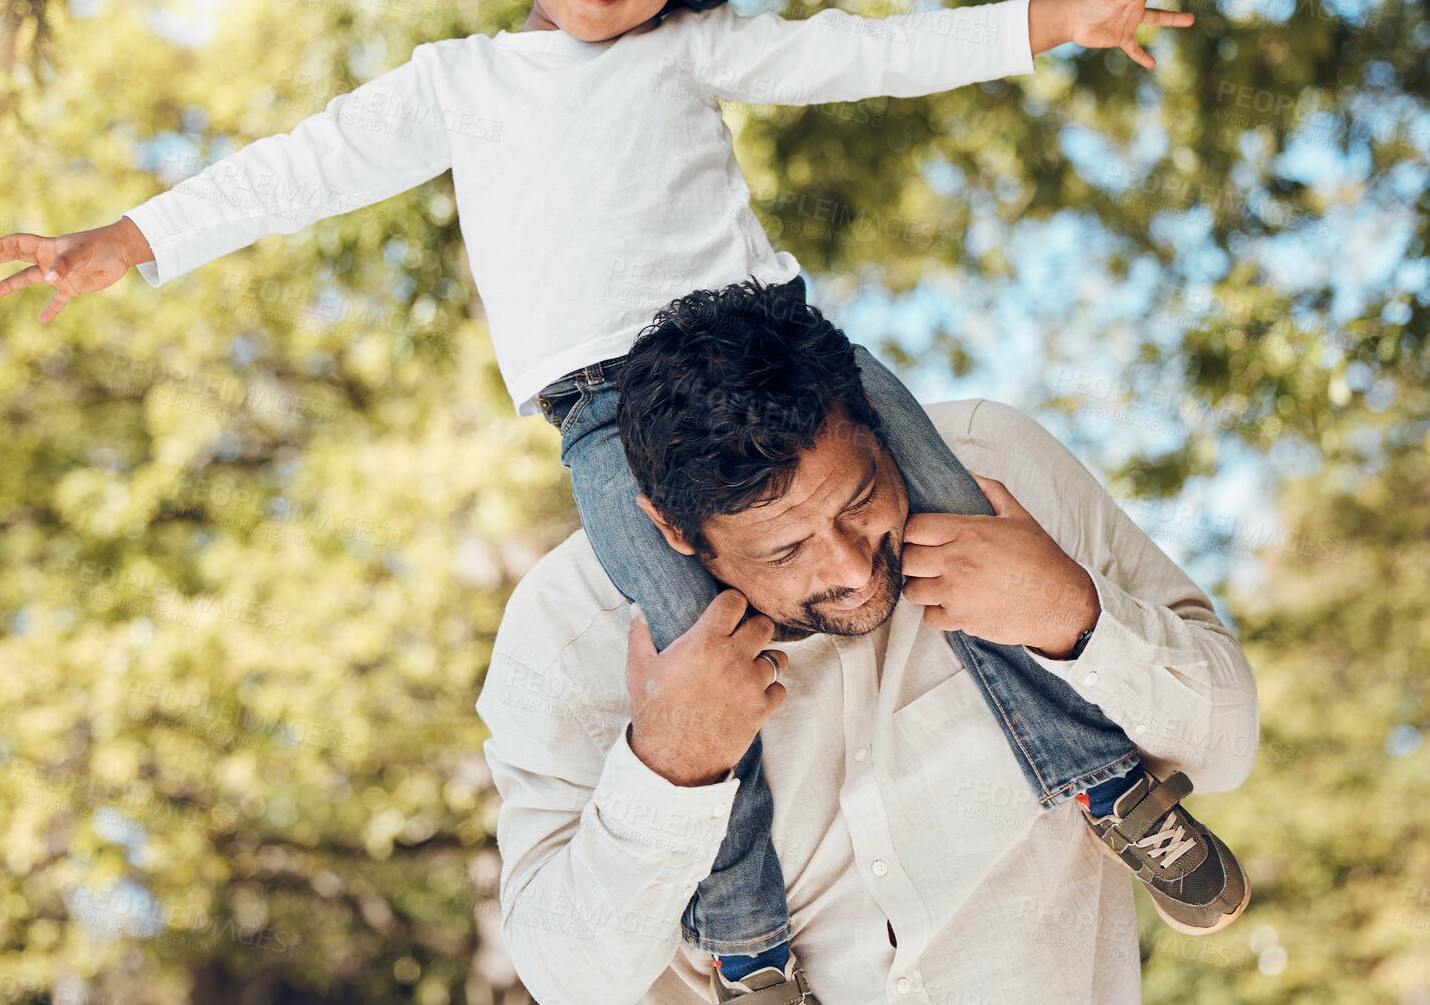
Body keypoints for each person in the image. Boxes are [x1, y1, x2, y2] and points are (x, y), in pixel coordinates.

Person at [0, 0, 1229, 999]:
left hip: (791, 362)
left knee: (958, 530)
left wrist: (1064, 18)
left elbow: (869, 51)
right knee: (699, 666)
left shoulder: (688, 52)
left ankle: (1107, 784)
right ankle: (750, 955)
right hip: (607, 415)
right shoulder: (456, 86)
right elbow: (304, 168)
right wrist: (131, 240)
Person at [476, 277, 1260, 1005]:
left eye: (859, 500)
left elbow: (1227, 744)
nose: (850, 569)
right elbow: (564, 977)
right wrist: (669, 767)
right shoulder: (568, 628)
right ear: (674, 530)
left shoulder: (992, 467)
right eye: (784, 550)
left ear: (879, 428)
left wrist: (1071, 617)